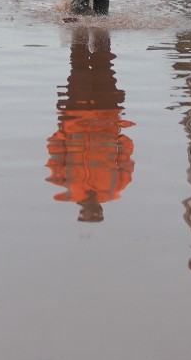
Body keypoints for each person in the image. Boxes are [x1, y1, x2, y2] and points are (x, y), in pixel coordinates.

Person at [45, 28, 133, 222]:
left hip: (76, 113)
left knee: (79, 66)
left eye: (87, 215)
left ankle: (83, 26)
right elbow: (126, 158)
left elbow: (55, 154)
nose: (92, 211)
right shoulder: (116, 189)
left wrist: (63, 127)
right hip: (106, 113)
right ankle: (98, 25)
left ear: (80, 213)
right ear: (101, 211)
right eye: (95, 214)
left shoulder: (65, 187)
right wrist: (120, 131)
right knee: (104, 64)